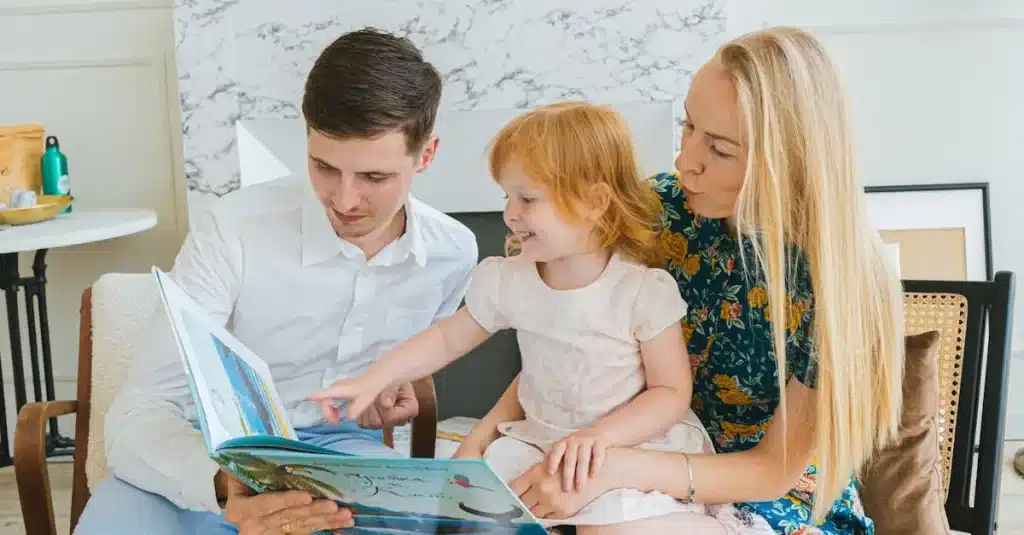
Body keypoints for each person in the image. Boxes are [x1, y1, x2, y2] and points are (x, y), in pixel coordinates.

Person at [479, 27, 907, 535]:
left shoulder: (840, 281)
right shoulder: (660, 209)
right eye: (688, 126)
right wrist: (481, 441)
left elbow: (772, 471)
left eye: (720, 150)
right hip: (626, 453)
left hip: (761, 498)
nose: (686, 161)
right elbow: (565, 335)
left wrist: (610, 469)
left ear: (788, 161)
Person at [74, 27, 479, 535]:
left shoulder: (452, 253)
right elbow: (142, 408)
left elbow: (412, 361)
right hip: (206, 447)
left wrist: (390, 390)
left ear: (426, 154)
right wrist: (221, 483)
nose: (345, 200)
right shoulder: (233, 228)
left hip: (339, 457)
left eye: (374, 178)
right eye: (324, 167)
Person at [309, 101, 776, 535]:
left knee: (607, 526)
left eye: (527, 198)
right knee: (476, 520)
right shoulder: (510, 280)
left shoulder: (641, 291)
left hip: (625, 446)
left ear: (593, 202)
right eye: (507, 196)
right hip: (537, 440)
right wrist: (376, 377)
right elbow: (446, 340)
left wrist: (601, 437)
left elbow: (672, 393)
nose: (510, 214)